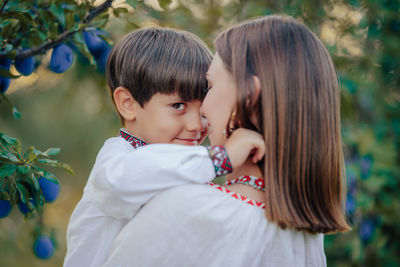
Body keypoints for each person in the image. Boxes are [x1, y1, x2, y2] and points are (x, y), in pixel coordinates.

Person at [103, 15, 350, 267]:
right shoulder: (306, 235)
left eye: (209, 86)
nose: (202, 111)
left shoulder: (190, 211)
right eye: (179, 105)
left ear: (249, 97)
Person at [64, 27, 265, 267]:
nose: (196, 125)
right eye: (178, 106)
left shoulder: (187, 166)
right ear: (128, 104)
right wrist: (219, 159)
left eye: (201, 110)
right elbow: (119, 187)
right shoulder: (118, 158)